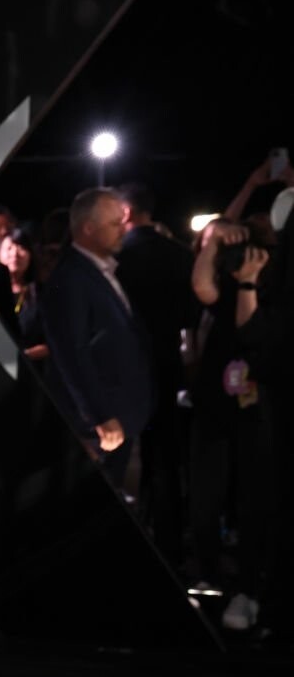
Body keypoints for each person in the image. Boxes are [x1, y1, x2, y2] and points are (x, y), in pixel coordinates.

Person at [188, 221, 281, 629]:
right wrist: (215, 244)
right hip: (215, 405)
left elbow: (253, 329)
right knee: (206, 496)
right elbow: (201, 287)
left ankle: (247, 587)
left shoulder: (270, 283)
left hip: (258, 408)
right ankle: (208, 575)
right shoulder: (222, 283)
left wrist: (250, 280)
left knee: (253, 499)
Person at [37, 188, 155, 490]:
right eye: (115, 224)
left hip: (117, 418)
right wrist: (100, 415)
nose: (123, 230)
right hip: (98, 427)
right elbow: (72, 354)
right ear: (88, 228)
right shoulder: (71, 279)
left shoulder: (101, 271)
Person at [113, 182, 197, 569]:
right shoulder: (178, 254)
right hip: (166, 365)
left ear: (125, 212)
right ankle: (169, 548)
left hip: (123, 370)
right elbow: (191, 315)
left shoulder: (117, 258)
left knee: (118, 460)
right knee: (164, 461)